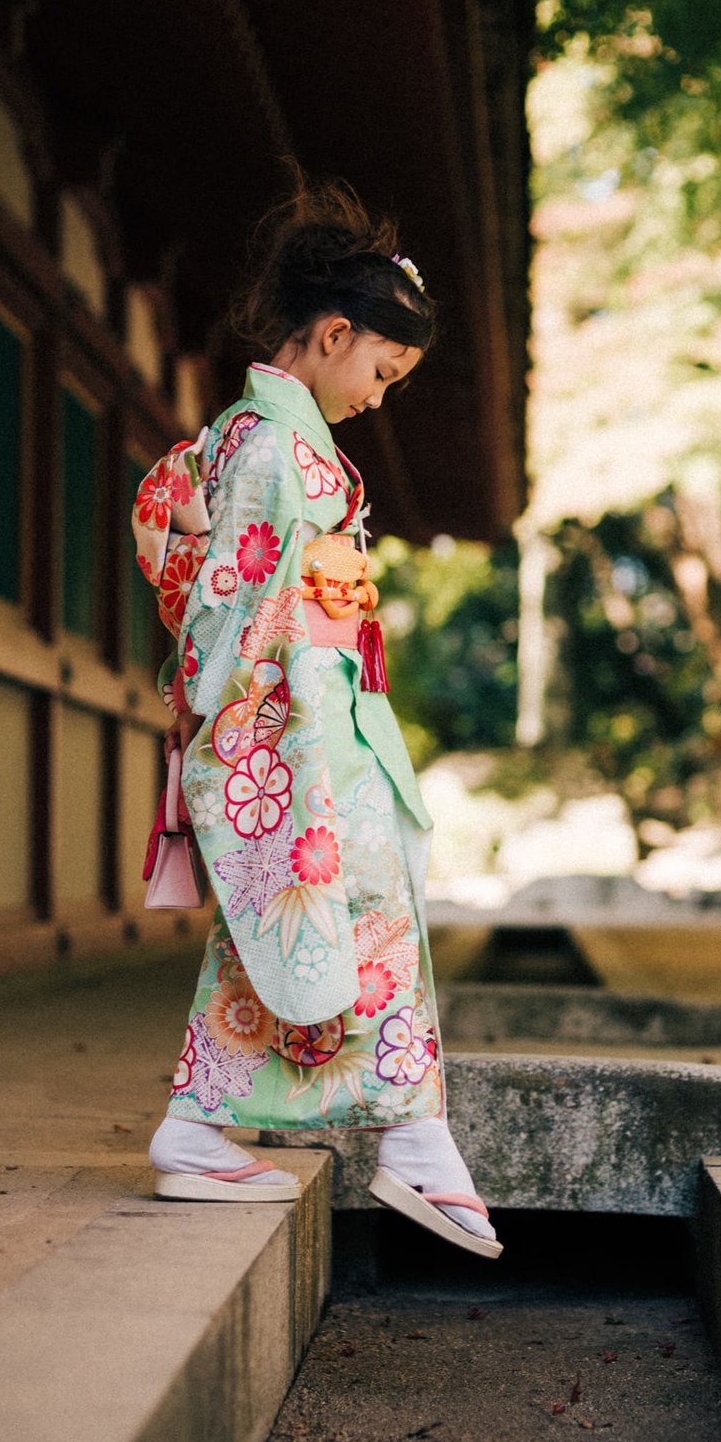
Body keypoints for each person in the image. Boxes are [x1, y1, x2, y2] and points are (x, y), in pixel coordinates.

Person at [139, 178, 501, 1260]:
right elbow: (252, 616)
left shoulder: (261, 444)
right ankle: (417, 1143)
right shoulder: (269, 452)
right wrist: (295, 752)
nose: (380, 398)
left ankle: (198, 1127)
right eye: (381, 371)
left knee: (285, 941)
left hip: (308, 717)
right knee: (363, 922)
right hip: (295, 724)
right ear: (336, 334)